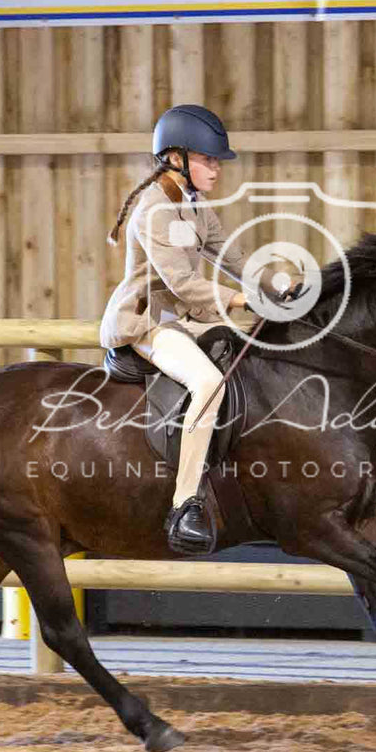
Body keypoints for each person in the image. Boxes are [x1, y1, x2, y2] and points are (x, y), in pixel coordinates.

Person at [100, 104, 262, 555]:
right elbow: (184, 285)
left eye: (216, 160)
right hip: (148, 321)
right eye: (208, 159)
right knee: (209, 383)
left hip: (183, 318)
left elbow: (231, 255)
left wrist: (279, 285)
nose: (216, 168)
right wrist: (241, 299)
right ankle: (184, 503)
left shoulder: (193, 203)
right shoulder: (154, 209)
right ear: (176, 159)